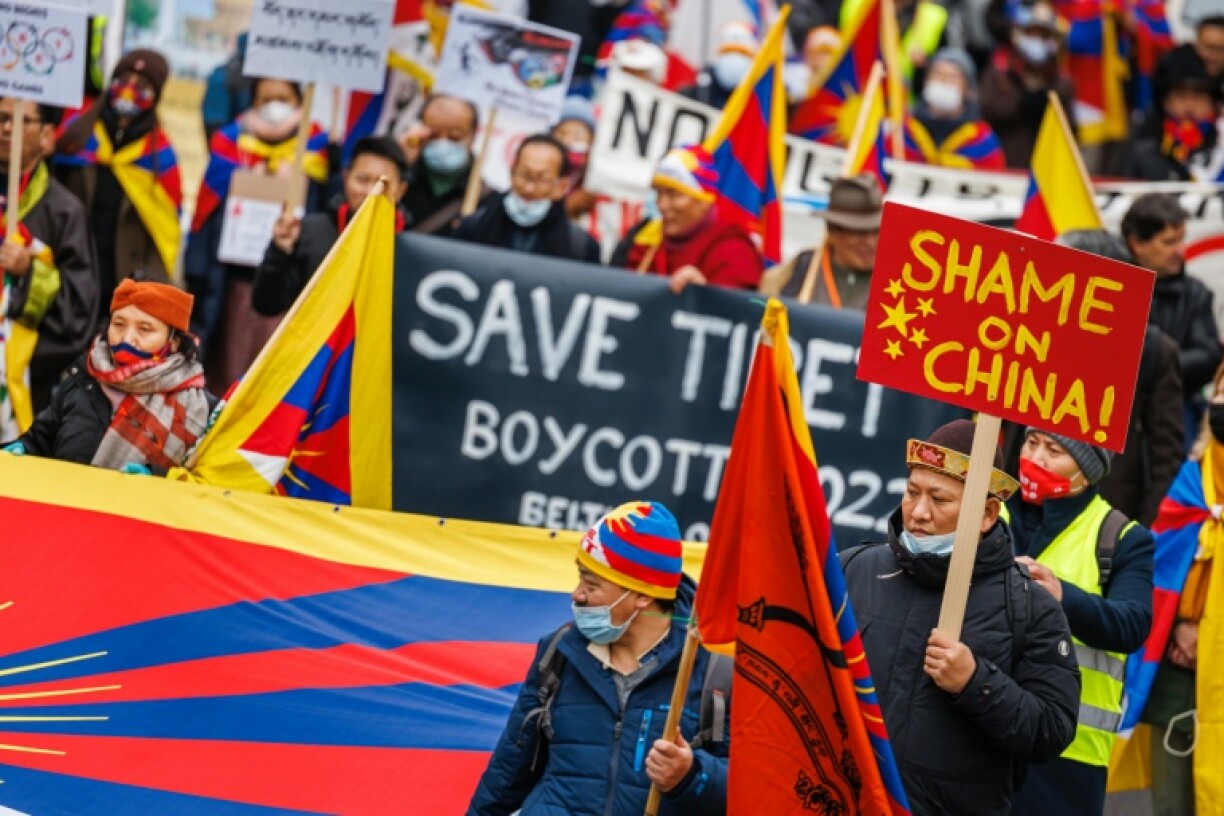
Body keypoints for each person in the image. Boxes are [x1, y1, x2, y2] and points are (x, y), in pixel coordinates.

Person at [840, 419, 1080, 815]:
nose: (919, 512)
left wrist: (975, 683)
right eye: (912, 492)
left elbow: (1051, 730)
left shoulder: (1030, 608)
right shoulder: (852, 571)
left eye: (940, 499)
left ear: (987, 514)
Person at [467, 501, 729, 815]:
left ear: (643, 596)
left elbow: (757, 794)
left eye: (592, 584)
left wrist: (692, 776)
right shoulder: (559, 651)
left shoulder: (716, 670)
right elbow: (506, 776)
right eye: (580, 578)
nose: (576, 594)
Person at [1007, 429, 1155, 816]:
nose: (1035, 458)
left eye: (1053, 450)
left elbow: (1133, 623)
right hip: (980, 732)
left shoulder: (1121, 537)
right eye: (1031, 442)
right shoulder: (990, 513)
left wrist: (1062, 596)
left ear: (1087, 471)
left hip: (1068, 757)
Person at [184, 77, 330, 393]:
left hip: (287, 291)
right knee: (225, 370)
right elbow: (206, 210)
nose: (273, 105)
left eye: (282, 96)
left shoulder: (318, 150)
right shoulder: (229, 145)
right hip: (230, 285)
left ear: (299, 102)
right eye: (265, 98)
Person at [2, 280, 212, 474]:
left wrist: (158, 477)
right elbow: (41, 440)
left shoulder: (198, 407)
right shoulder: (82, 379)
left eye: (145, 329)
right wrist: (24, 448)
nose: (127, 338)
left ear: (173, 342)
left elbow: (203, 480)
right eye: (119, 324)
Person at [1139, 362, 1223, 815]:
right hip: (1177, 672)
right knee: (1172, 804)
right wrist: (1182, 628)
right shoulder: (1190, 485)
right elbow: (1162, 573)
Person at [1061, 230, 1185, 528]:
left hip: (1108, 515)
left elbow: (1164, 455)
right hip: (1030, 508)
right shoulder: (1037, 339)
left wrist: (1141, 532)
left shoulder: (1152, 350)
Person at [56, 49, 181, 318]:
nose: (130, 89)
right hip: (67, 276)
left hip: (122, 287)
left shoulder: (161, 159)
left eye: (143, 84)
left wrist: (146, 290)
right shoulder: (76, 136)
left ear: (156, 95)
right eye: (125, 78)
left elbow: (164, 233)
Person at [0, 96, 97, 428]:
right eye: (1, 118)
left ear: (47, 137)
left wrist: (30, 272)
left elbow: (79, 313)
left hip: (24, 384)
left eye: (22, 121)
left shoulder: (65, 212)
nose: (7, 128)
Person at [252, 136, 410, 318]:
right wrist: (279, 251)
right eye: (362, 179)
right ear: (346, 178)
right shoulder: (310, 231)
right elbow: (266, 305)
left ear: (401, 190)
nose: (370, 192)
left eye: (383, 184)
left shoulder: (409, 246)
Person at [1121, 193, 1221, 447]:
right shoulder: (1112, 290)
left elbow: (1208, 356)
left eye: (1181, 240)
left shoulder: (1196, 293)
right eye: (1169, 242)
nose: (1180, 251)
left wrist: (1154, 366)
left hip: (1177, 413)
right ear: (1137, 244)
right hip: (1118, 413)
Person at [611, 145, 762, 293]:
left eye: (674, 194)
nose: (661, 205)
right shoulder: (644, 236)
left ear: (704, 201)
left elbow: (736, 309)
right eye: (658, 193)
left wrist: (704, 294)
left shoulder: (734, 251)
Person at [454, 134, 600, 264]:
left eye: (542, 179)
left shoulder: (580, 247)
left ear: (561, 187)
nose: (529, 188)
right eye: (524, 175)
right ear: (512, 173)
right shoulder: (474, 227)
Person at [758, 174, 881, 307]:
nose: (871, 242)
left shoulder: (896, 283)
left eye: (877, 231)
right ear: (832, 231)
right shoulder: (791, 275)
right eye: (859, 232)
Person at [980, 1, 1077, 168]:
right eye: (1032, 34)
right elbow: (986, 110)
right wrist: (1021, 103)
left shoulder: (1061, 80)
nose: (1036, 41)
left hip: (1044, 169)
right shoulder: (1002, 69)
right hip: (1006, 164)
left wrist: (1048, 109)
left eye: (1043, 36)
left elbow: (1070, 131)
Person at [1128, 49, 1224, 182]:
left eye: (1198, 97)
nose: (1189, 106)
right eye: (1181, 97)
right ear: (1166, 103)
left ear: (1212, 104)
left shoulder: (1220, 145)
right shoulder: (1146, 152)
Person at [904, 48, 1006, 170]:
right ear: (926, 82)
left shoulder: (982, 140)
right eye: (938, 74)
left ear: (968, 90)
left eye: (953, 77)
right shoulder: (903, 133)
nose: (944, 81)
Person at [397, 94, 482, 237]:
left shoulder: (486, 199)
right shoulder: (398, 183)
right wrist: (398, 162)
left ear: (473, 136)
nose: (443, 143)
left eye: (454, 136)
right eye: (434, 135)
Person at [678, 22, 759, 110]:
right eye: (729, 52)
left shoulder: (757, 90)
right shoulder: (707, 77)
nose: (733, 60)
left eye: (741, 54)